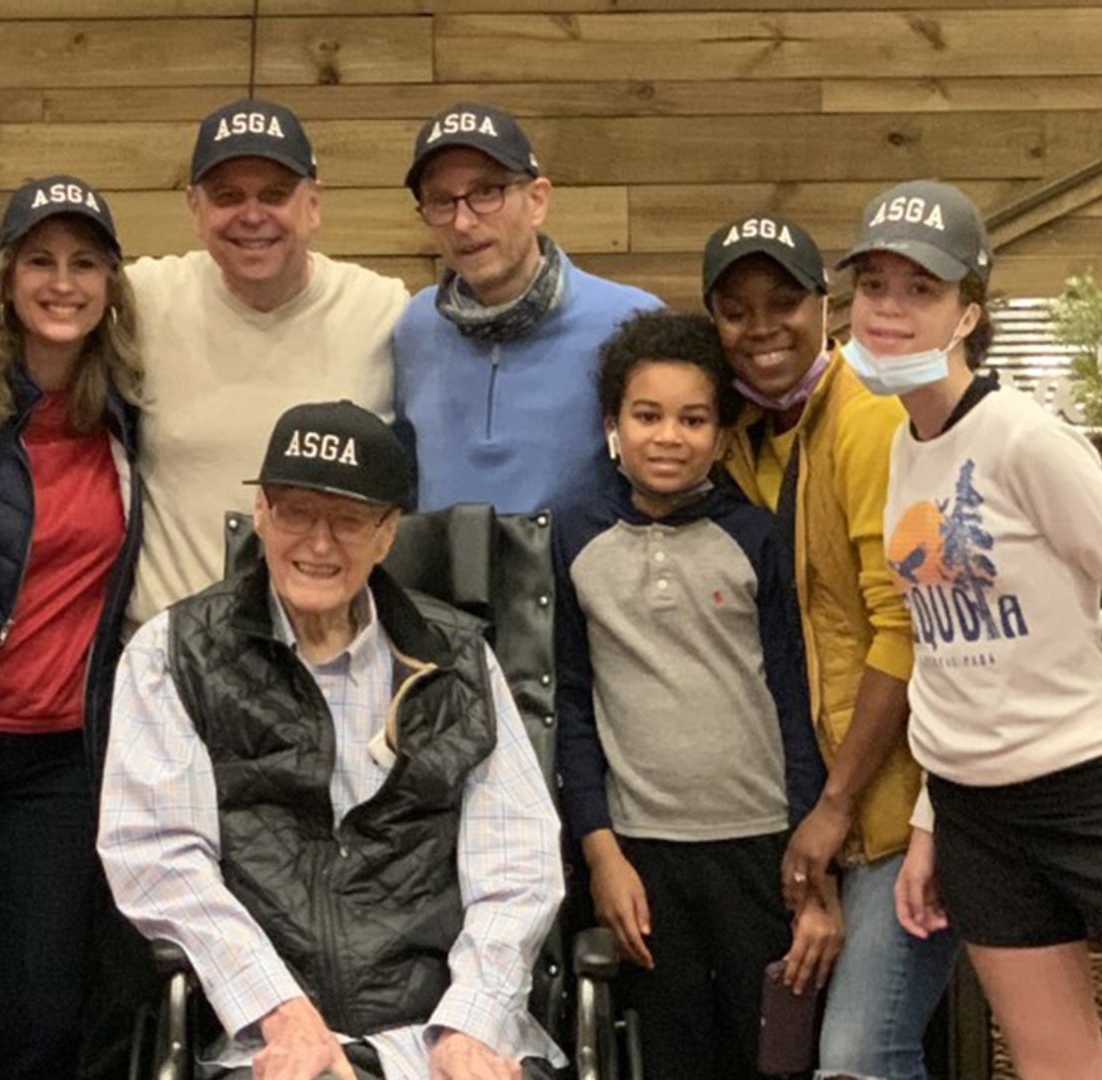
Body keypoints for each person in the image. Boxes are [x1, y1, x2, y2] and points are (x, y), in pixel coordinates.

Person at [100, 400, 566, 1080]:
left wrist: (469, 1023)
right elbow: (159, 858)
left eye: (348, 521)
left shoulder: (459, 660)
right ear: (260, 513)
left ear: (387, 535)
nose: (319, 544)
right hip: (273, 1033)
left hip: (451, 1024)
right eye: (295, 512)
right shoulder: (172, 655)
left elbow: (517, 865)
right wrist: (281, 1013)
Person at [838, 180, 1102, 1080]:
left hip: (1090, 789)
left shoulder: (1025, 438)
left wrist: (1071, 651)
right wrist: (931, 822)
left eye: (921, 290)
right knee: (1055, 1064)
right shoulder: (905, 444)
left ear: (967, 312)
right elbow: (944, 660)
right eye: (874, 287)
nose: (890, 311)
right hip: (976, 811)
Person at [703, 214, 958, 1079]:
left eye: (784, 302)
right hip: (806, 804)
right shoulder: (734, 436)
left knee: (860, 1055)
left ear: (826, 306)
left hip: (902, 806)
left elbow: (906, 628)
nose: (762, 326)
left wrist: (838, 805)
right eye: (736, 310)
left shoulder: (864, 415)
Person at [552, 311, 839, 1079]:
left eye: (693, 418)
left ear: (720, 431)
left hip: (759, 847)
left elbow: (793, 699)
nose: (668, 437)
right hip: (642, 855)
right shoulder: (575, 540)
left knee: (772, 1055)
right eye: (647, 416)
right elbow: (572, 707)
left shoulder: (755, 537)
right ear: (613, 423)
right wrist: (600, 848)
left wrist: (810, 858)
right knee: (668, 1055)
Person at [0, 175, 144, 1080]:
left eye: (86, 263)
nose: (63, 283)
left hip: (63, 757)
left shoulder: (128, 416)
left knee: (40, 1011)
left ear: (110, 284)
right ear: (7, 276)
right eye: (40, 261)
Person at [124, 98, 408, 630]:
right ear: (194, 208)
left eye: (274, 195)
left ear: (314, 204)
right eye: (228, 196)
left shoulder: (383, 311)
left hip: (323, 653)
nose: (252, 215)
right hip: (164, 656)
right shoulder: (142, 299)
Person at [393, 103, 658, 514]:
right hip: (437, 577)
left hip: (579, 575)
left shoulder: (631, 322)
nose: (463, 222)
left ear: (537, 200)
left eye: (486, 193)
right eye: (441, 201)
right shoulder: (417, 325)